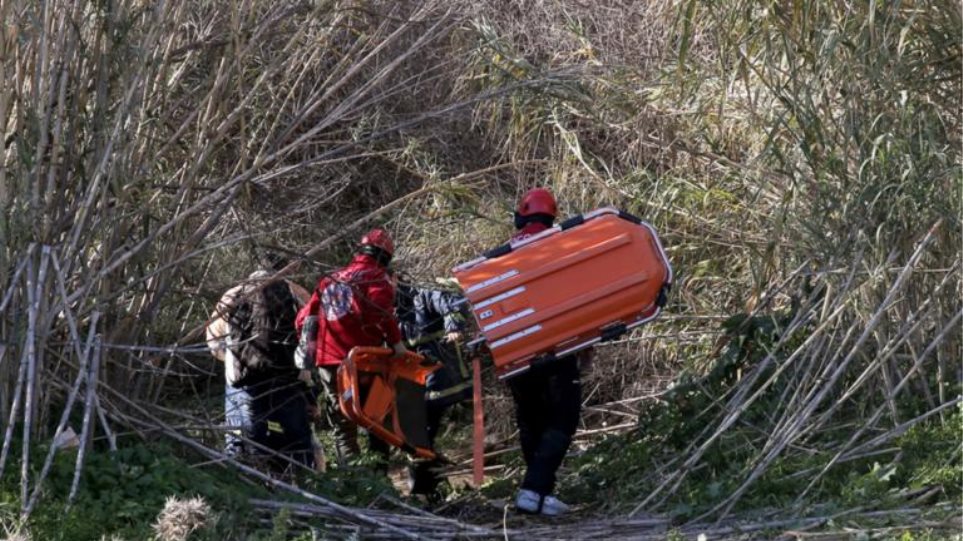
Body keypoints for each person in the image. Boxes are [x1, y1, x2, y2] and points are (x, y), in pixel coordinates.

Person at [295, 227, 408, 466]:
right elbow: (379, 311)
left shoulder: (329, 279)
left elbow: (303, 318)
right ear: (384, 256)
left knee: (342, 421)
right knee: (376, 416)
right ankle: (379, 476)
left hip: (329, 362)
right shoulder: (375, 277)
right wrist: (396, 343)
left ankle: (352, 476)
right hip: (364, 360)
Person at [508, 187, 586, 516]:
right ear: (552, 215)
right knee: (563, 418)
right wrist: (587, 348)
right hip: (558, 349)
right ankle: (535, 488)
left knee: (531, 421)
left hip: (516, 353)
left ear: (521, 215)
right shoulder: (562, 245)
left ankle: (539, 494)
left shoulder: (502, 253)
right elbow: (580, 301)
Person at [206, 267, 316, 470]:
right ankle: (302, 486)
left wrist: (233, 359)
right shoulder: (295, 292)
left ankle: (245, 488)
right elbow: (312, 335)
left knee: (243, 443)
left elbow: (213, 342)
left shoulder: (232, 295)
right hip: (288, 380)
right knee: (295, 443)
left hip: (244, 384)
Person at [394, 278, 472, 498]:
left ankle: (424, 490)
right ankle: (429, 486)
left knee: (420, 433)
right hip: (413, 382)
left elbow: (454, 304)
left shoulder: (424, 293)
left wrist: (454, 327)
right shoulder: (385, 306)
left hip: (438, 377)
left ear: (394, 278)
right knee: (417, 436)